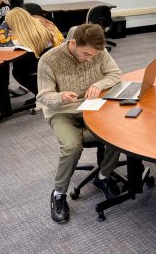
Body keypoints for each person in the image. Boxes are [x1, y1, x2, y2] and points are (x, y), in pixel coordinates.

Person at [36, 24, 122, 224]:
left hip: (91, 106)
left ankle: (103, 176)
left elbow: (115, 74)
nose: (90, 59)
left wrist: (97, 84)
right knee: (72, 145)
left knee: (117, 132)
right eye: (85, 54)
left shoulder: (97, 51)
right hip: (62, 110)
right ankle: (58, 194)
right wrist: (61, 96)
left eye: (94, 55)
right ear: (72, 43)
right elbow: (44, 96)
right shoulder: (49, 60)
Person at [3, 8, 64, 94]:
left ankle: (40, 94)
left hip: (44, 63)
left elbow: (31, 52)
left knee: (17, 70)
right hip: (57, 58)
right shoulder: (39, 23)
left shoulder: (27, 36)